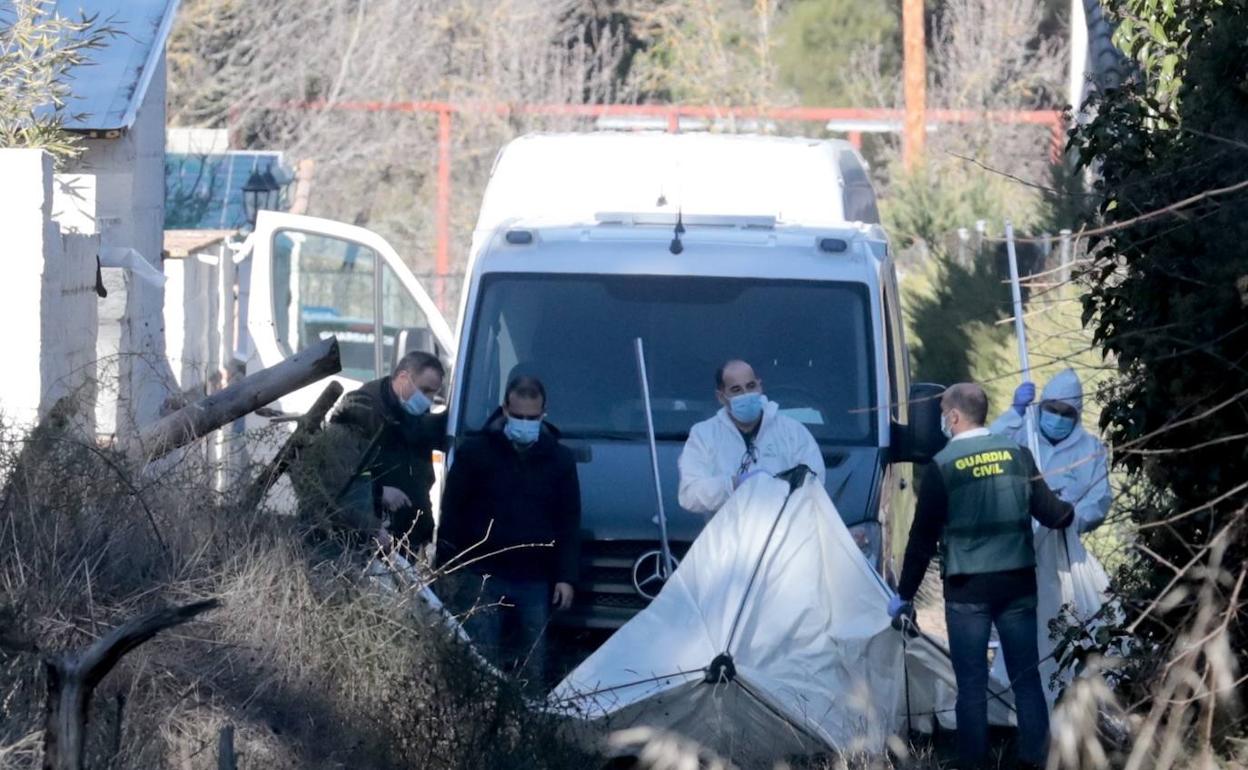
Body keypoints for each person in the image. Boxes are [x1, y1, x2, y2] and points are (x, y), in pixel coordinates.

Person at [890, 383, 1073, 770]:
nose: (941, 418)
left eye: (942, 411)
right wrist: (1071, 510)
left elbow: (921, 539)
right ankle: (1034, 760)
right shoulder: (1019, 456)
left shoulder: (943, 465)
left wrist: (904, 594)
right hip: (1018, 585)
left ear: (954, 417)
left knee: (971, 685)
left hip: (967, 590)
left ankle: (973, 762)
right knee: (1027, 679)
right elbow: (1054, 514)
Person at [436, 375, 581, 689]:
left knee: (533, 666)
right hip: (483, 574)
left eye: (532, 418)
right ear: (505, 410)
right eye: (519, 417)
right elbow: (453, 511)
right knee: (479, 661)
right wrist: (446, 568)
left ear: (544, 414)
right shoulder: (476, 453)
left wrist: (566, 577)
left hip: (534, 577)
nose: (525, 423)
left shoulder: (559, 459)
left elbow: (569, 521)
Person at [322, 351, 447, 554]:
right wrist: (379, 493)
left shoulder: (414, 415)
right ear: (403, 378)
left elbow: (420, 478)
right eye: (425, 391)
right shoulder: (361, 409)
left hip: (408, 538)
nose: (429, 400)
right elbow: (339, 478)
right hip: (371, 537)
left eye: (433, 393)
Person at [678, 359, 826, 514]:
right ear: (721, 397)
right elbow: (689, 495)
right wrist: (733, 485)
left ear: (760, 386)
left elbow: (815, 487)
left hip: (782, 533)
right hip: (726, 535)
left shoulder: (793, 432)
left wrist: (776, 491)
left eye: (751, 386)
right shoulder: (704, 435)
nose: (746, 394)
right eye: (736, 390)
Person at [991, 368, 1112, 535]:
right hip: (1011, 533)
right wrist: (1014, 413)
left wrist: (1067, 522)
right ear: (1041, 406)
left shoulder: (1091, 450)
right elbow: (987, 447)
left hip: (1060, 540)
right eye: (1052, 409)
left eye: (1066, 413)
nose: (1058, 417)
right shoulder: (1019, 430)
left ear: (1077, 416)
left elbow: (1099, 501)